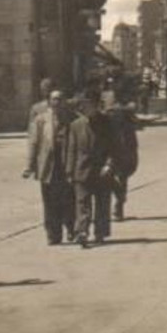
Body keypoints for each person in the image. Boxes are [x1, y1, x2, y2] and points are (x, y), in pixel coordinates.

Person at [23, 88, 74, 245]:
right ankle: (53, 234)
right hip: (48, 167)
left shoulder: (73, 119)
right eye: (54, 99)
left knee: (68, 200)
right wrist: (29, 166)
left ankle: (71, 229)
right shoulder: (40, 120)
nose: (57, 102)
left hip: (67, 165)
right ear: (50, 102)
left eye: (60, 99)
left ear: (65, 102)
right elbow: (33, 143)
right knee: (50, 202)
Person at [66, 95, 113, 248]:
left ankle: (100, 232)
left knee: (102, 203)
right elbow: (71, 150)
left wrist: (109, 164)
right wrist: (69, 170)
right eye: (84, 106)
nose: (87, 109)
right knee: (82, 202)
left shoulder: (106, 123)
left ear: (96, 106)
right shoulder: (76, 125)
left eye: (90, 106)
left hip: (101, 170)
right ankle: (82, 232)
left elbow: (114, 147)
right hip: (81, 169)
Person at [104, 86, 141, 221]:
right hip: (110, 149)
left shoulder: (126, 115)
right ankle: (119, 200)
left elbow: (137, 124)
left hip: (124, 150)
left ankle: (118, 207)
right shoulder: (108, 114)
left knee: (121, 177)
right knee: (112, 178)